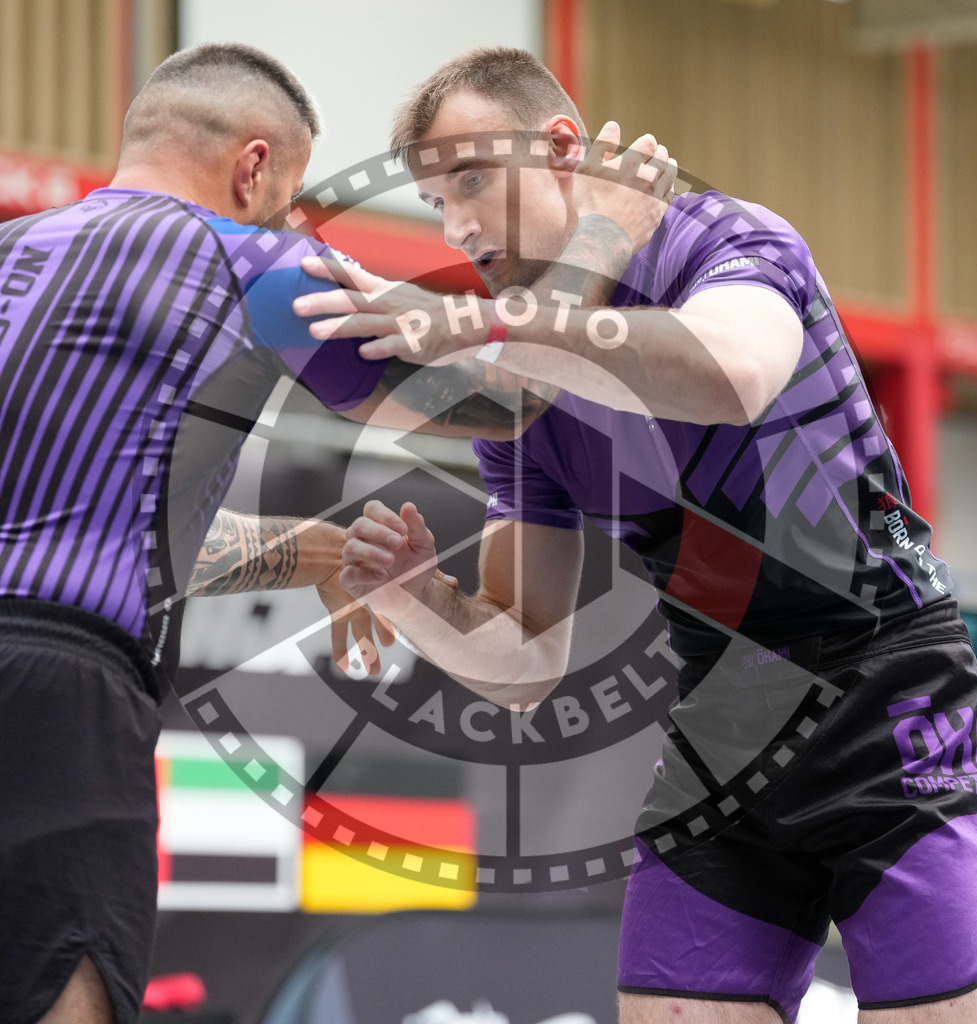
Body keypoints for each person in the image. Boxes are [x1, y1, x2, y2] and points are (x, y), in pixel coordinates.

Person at [296, 47, 977, 1023]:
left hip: (891, 693)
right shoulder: (518, 398)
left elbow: (733, 374)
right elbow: (524, 660)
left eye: (471, 179)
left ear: (562, 149)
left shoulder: (720, 239)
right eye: (435, 201)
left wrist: (480, 324)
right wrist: (415, 599)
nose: (456, 224)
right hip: (722, 722)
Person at [0, 40, 623, 1024]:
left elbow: (92, 526)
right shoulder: (255, 260)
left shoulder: (14, 254)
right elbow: (511, 398)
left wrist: (321, 553)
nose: (292, 221)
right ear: (252, 168)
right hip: (60, 704)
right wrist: (599, 237)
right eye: (289, 198)